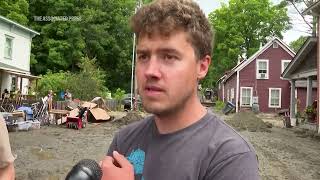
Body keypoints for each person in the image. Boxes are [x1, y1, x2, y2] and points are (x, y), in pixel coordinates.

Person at [100, 0, 259, 180]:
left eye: (169, 56)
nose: (150, 71)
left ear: (202, 66)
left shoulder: (230, 158)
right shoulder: (124, 140)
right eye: (143, 56)